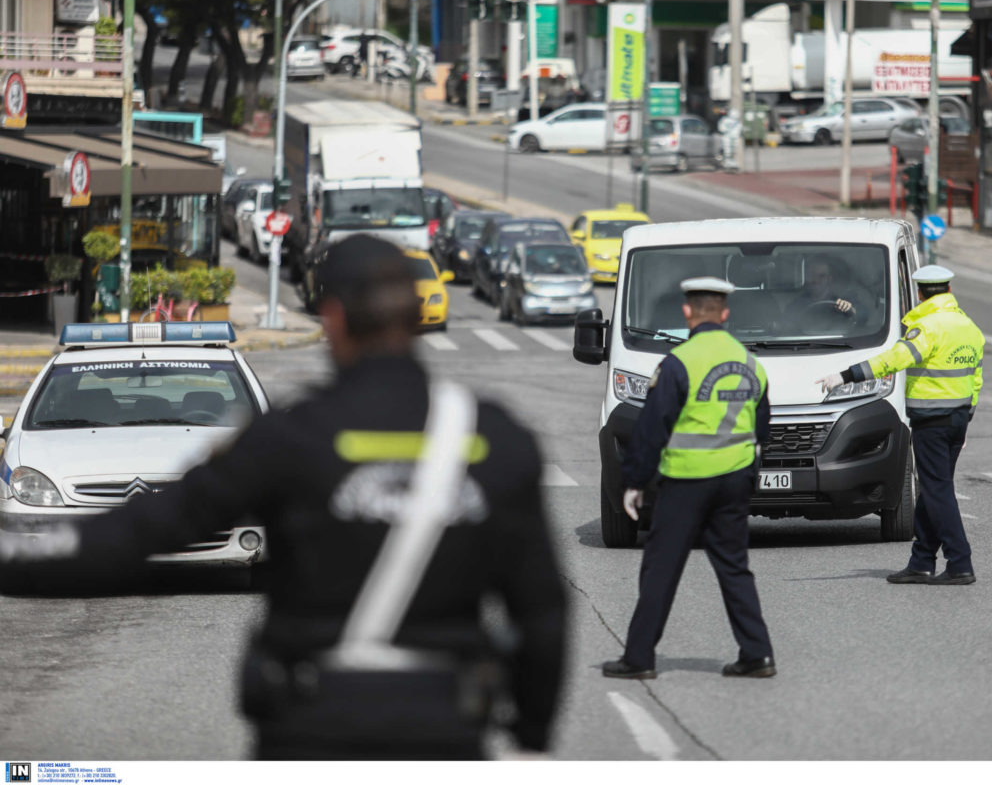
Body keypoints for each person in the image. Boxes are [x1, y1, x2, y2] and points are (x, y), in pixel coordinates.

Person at [0, 234, 568, 761]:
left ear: (334, 317)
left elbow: (136, 533)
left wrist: (15, 552)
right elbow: (543, 611)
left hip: (311, 729)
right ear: (418, 313)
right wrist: (533, 726)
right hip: (446, 731)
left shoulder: (290, 439)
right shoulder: (497, 441)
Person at [602, 277, 776, 680]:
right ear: (726, 314)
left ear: (686, 314)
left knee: (661, 568)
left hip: (687, 480)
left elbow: (652, 428)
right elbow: (763, 426)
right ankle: (757, 653)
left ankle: (639, 658)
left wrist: (634, 481)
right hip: (734, 479)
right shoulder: (751, 363)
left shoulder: (679, 363)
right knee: (734, 567)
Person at [817, 264, 984, 585]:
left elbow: (893, 360)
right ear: (948, 291)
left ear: (920, 293)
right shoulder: (968, 326)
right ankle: (921, 561)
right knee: (934, 490)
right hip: (958, 420)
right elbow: (976, 378)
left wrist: (845, 376)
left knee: (937, 491)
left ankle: (960, 562)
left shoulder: (928, 328)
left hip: (932, 421)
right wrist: (968, 415)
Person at [794, 257, 859, 317]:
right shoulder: (797, 304)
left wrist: (850, 309)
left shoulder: (842, 299)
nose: (816, 280)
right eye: (812, 275)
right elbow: (787, 321)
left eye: (822, 276)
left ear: (829, 279)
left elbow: (863, 316)